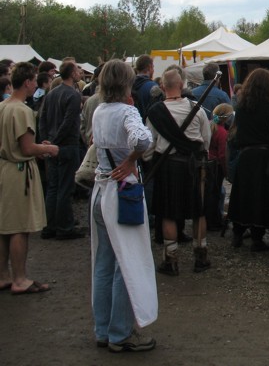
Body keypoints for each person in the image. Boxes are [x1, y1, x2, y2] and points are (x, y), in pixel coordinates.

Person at [90, 59, 157, 352]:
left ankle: (102, 329)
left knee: (104, 263)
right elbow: (143, 139)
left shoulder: (99, 110)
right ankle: (119, 333)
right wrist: (131, 160)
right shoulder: (127, 111)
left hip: (101, 190)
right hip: (122, 193)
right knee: (126, 264)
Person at [146, 68, 212, 275]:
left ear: (162, 87)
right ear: (182, 85)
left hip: (168, 166)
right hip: (193, 166)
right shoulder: (197, 110)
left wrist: (150, 161)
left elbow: (149, 146)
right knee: (198, 211)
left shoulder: (155, 113)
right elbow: (205, 141)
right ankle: (201, 257)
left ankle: (171, 260)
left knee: (168, 213)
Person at [0, 62, 58, 295]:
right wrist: (48, 149)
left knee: (4, 226)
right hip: (18, 172)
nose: (36, 84)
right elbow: (26, 148)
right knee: (19, 227)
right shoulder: (22, 111)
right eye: (34, 80)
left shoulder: (2, 106)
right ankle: (20, 278)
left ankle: (3, 275)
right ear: (27, 82)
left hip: (4, 167)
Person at [227, 68, 269, 251]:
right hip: (263, 156)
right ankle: (257, 237)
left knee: (242, 195)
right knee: (259, 196)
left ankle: (238, 233)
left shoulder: (241, 108)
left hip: (245, 156)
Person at [39, 60, 85, 240]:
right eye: (77, 70)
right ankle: (64, 227)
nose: (79, 73)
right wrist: (54, 142)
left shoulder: (51, 93)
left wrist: (46, 141)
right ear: (72, 74)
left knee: (53, 187)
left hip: (52, 143)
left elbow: (42, 118)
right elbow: (68, 121)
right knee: (65, 188)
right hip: (66, 145)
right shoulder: (73, 95)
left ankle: (50, 225)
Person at [132, 55, 157, 121]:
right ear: (149, 67)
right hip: (146, 125)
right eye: (153, 67)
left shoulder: (128, 85)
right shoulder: (153, 87)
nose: (153, 70)